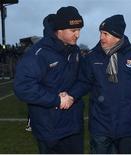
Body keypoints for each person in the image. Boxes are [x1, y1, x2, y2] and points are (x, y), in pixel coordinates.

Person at [61, 14, 131, 154]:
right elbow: (83, 82)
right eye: (100, 33)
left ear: (117, 35)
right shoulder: (92, 57)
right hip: (100, 126)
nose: (101, 37)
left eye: (105, 34)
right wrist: (70, 96)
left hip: (128, 126)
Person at [14, 6, 84, 154]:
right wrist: (56, 100)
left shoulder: (75, 51)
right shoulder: (38, 54)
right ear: (59, 30)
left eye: (79, 29)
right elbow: (23, 87)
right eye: (73, 31)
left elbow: (83, 79)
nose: (77, 34)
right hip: (49, 129)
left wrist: (71, 96)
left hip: (73, 126)